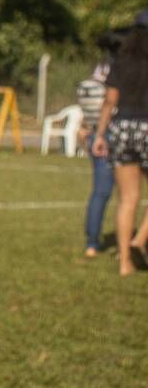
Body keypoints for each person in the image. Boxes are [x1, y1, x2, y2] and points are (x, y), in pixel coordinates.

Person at [92, 12, 148, 277]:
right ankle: (139, 240)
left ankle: (125, 262)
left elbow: (110, 101)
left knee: (128, 198)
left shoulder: (121, 61)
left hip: (123, 126)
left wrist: (100, 134)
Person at [78, 36, 117, 257]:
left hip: (95, 133)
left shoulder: (99, 68)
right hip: (114, 132)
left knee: (100, 192)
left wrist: (88, 128)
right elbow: (110, 103)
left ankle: (92, 242)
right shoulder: (124, 68)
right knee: (129, 196)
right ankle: (129, 245)